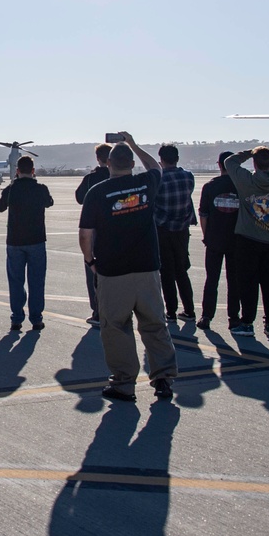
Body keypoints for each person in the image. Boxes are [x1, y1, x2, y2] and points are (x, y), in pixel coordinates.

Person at [78, 132, 177, 402]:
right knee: (155, 325)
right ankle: (163, 379)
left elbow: (85, 234)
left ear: (108, 164)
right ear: (132, 164)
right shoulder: (146, 182)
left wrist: (90, 262)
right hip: (147, 269)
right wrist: (133, 144)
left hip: (113, 272)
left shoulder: (96, 192)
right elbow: (155, 167)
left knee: (116, 328)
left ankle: (124, 383)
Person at [224, 147, 269, 337]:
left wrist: (247, 152)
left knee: (248, 283)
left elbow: (230, 162)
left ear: (255, 162)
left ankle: (247, 322)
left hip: (248, 239)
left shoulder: (247, 181)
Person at [0, 155, 54, 332]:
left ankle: (16, 318)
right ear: (33, 171)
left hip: (15, 241)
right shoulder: (40, 188)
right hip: (36, 240)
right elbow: (49, 202)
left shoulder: (12, 189)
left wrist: (11, 187)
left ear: (17, 171)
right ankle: (36, 319)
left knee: (16, 281)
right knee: (36, 281)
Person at [196, 151, 240, 331]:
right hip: (236, 239)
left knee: (212, 279)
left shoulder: (210, 186)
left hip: (214, 238)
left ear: (219, 165)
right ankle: (234, 317)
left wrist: (206, 236)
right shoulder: (241, 186)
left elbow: (203, 214)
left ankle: (207, 316)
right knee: (234, 280)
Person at [153, 144, 197, 322]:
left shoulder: (160, 179)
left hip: (163, 229)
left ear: (161, 160)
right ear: (177, 158)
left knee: (166, 273)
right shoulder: (188, 176)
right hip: (182, 230)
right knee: (182, 270)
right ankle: (189, 309)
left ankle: (171, 311)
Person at [74, 143, 110, 327]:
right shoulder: (119, 176)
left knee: (93, 270)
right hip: (118, 230)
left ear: (98, 158)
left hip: (95, 230)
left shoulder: (90, 179)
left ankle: (97, 310)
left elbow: (79, 197)